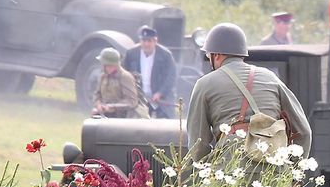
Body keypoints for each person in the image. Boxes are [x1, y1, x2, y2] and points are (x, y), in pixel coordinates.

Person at [186, 22, 312, 161]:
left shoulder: (204, 84)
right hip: (273, 169)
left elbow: (197, 145)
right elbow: (304, 132)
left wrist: (210, 173)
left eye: (209, 55)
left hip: (230, 170)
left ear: (216, 55)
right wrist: (292, 171)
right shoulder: (270, 77)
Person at [122, 25, 178, 118]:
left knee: (165, 124)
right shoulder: (131, 54)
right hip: (139, 97)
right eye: (144, 41)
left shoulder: (166, 55)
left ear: (155, 41)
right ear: (140, 41)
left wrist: (160, 93)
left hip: (161, 97)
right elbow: (124, 73)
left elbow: (171, 77)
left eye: (149, 41)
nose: (146, 44)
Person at [93, 47, 148, 118]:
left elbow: (132, 101)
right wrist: (99, 105)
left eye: (105, 64)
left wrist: (112, 107)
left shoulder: (125, 77)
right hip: (106, 115)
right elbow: (97, 94)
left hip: (124, 117)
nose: (103, 66)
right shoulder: (103, 76)